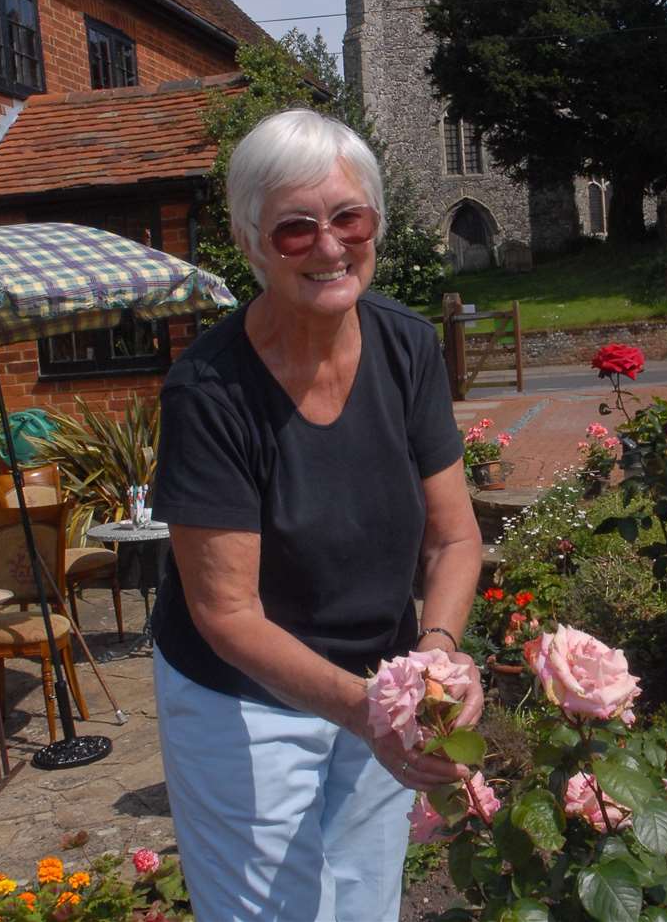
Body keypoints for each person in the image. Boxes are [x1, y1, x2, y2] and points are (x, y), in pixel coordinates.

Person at [151, 108, 483, 922]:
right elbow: (227, 613)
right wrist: (372, 713)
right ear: (250, 241)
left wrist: (431, 664)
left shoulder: (406, 347)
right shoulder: (209, 392)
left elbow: (454, 537)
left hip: (376, 675)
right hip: (242, 698)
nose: (330, 247)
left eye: (348, 218)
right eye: (295, 228)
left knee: (365, 900)